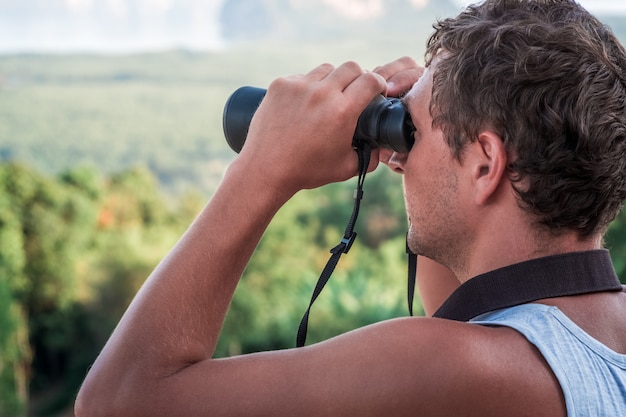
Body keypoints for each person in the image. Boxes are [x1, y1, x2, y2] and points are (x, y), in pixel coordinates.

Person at [75, 0, 626, 416]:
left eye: (414, 135)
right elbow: (468, 299)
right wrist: (429, 127)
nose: (404, 158)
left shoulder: (460, 366)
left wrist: (263, 168)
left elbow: (119, 400)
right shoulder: (570, 341)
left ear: (485, 165)